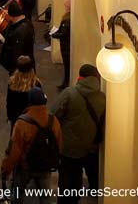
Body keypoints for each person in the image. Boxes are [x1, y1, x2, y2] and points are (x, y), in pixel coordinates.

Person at [51, 63, 106, 193]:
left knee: (67, 177)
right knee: (83, 172)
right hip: (88, 145)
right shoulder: (102, 98)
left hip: (68, 146)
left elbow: (53, 114)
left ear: (81, 77)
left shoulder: (69, 93)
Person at [1, 87, 62, 199]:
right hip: (45, 166)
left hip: (25, 167)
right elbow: (58, 145)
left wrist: (6, 169)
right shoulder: (53, 121)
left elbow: (15, 150)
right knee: (46, 198)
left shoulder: (22, 123)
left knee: (18, 196)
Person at [0, 0, 36, 73]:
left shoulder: (20, 30)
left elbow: (16, 51)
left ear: (11, 16)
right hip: (25, 64)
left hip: (21, 68)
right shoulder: (26, 23)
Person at [6, 56, 43, 127]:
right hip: (31, 119)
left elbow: (9, 102)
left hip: (16, 118)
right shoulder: (36, 84)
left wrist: (10, 117)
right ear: (31, 69)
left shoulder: (12, 83)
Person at [52, 0, 72, 90]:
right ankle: (65, 82)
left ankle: (66, 83)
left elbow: (64, 34)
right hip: (66, 46)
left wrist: (54, 34)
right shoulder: (68, 18)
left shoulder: (67, 20)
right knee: (66, 66)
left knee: (67, 66)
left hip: (66, 47)